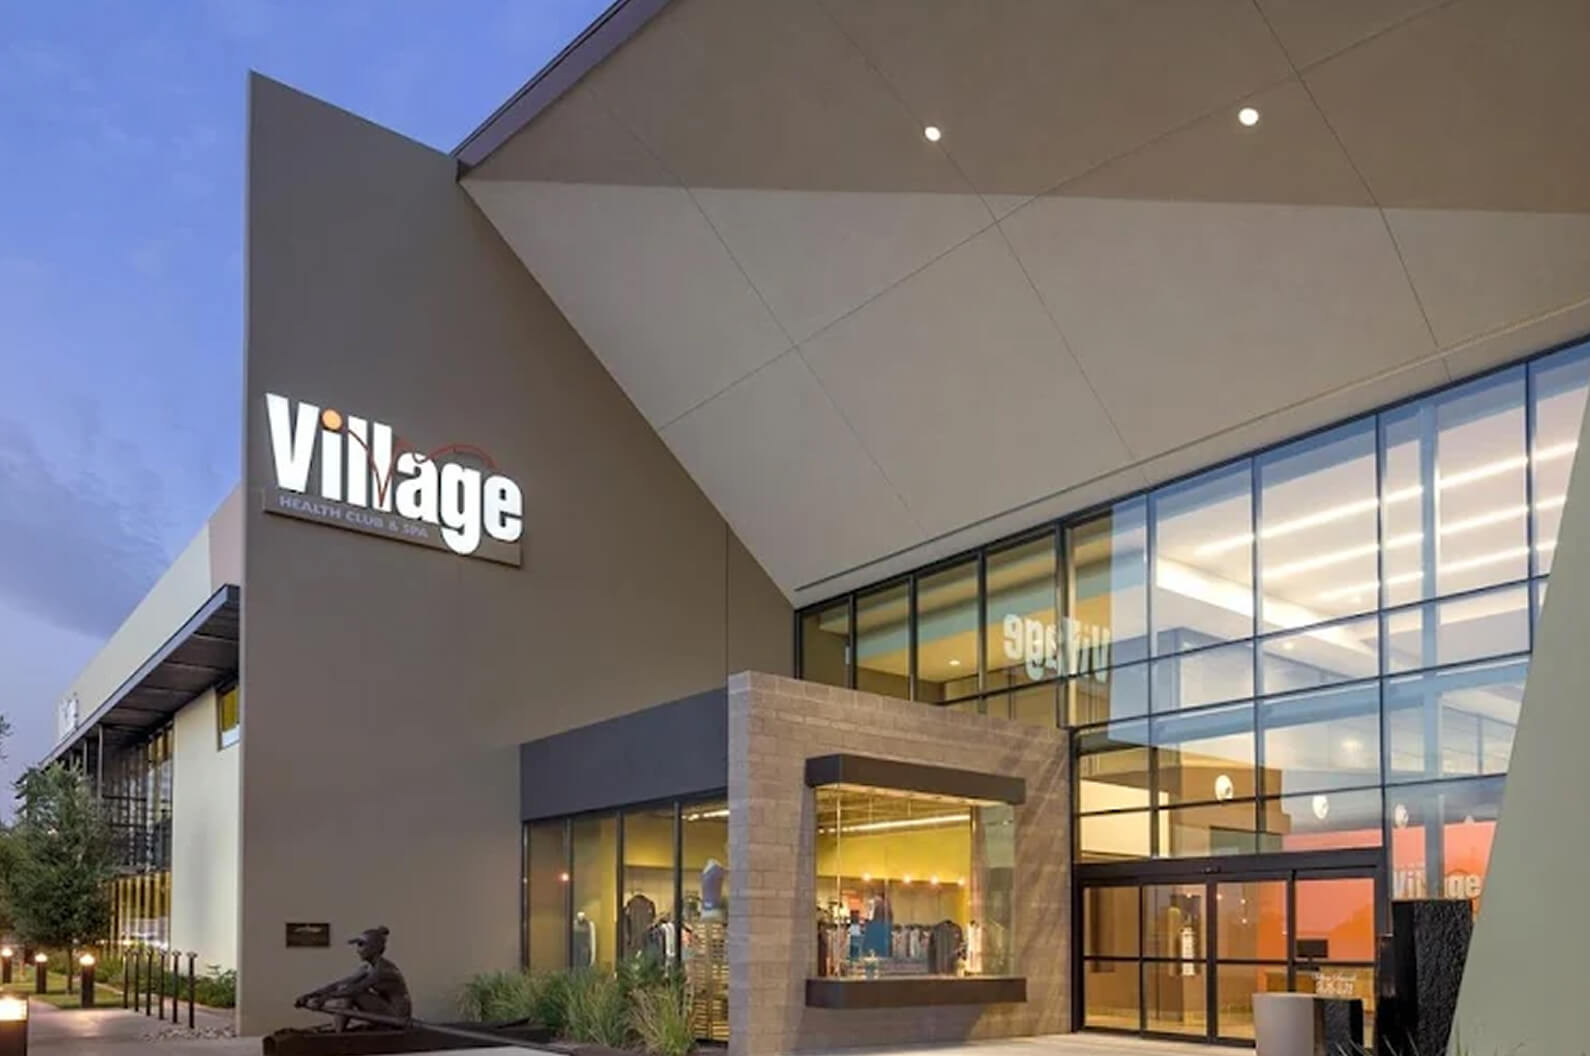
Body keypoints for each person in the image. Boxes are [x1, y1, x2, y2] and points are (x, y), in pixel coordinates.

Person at [295, 926, 413, 1031]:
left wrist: (325, 998)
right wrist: (310, 995)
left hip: (398, 1017)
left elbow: (356, 989)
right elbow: (338, 985)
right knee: (344, 988)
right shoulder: (367, 968)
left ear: (373, 947)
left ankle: (337, 1033)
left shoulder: (383, 970)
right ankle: (337, 1030)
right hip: (387, 1011)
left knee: (350, 992)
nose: (357, 950)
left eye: (361, 945)